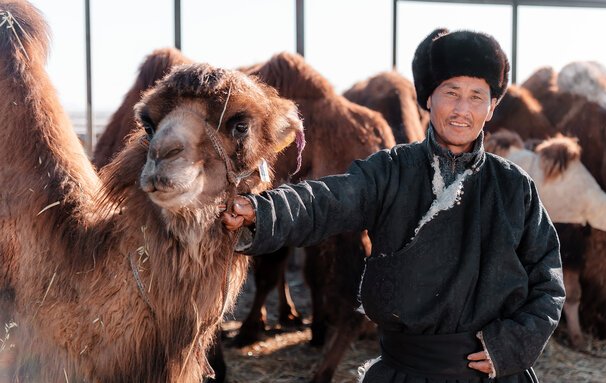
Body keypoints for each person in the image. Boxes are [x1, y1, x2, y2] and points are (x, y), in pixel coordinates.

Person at [223, 28, 565, 383]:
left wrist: (513, 346)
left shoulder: (513, 187)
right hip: (405, 371)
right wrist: (262, 211)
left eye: (477, 96)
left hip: (493, 373)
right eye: (451, 92)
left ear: (492, 107)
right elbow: (326, 200)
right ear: (429, 98)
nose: (463, 109)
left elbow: (548, 280)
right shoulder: (390, 171)